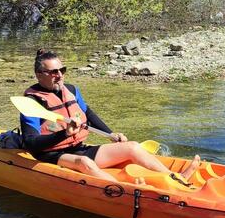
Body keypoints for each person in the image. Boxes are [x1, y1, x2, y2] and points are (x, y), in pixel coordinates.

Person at [21, 49, 200, 183]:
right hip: (50, 154)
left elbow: (88, 114)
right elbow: (31, 143)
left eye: (62, 70)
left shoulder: (72, 90)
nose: (59, 76)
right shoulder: (32, 101)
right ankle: (126, 190)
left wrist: (110, 134)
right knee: (84, 162)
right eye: (53, 72)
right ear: (39, 75)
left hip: (77, 147)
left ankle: (176, 178)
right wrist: (64, 134)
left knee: (132, 146)